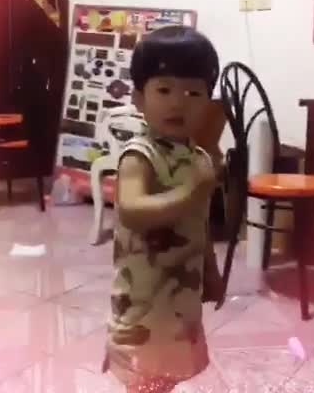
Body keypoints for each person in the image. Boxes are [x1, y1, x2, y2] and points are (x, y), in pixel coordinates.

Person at [103, 25, 225, 393]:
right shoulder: (140, 155)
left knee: (166, 373)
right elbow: (131, 209)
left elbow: (198, 221)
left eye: (193, 92)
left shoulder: (198, 157)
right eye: (164, 90)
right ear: (139, 99)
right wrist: (189, 192)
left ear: (207, 103)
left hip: (180, 296)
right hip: (144, 297)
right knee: (145, 374)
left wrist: (210, 270)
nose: (178, 103)